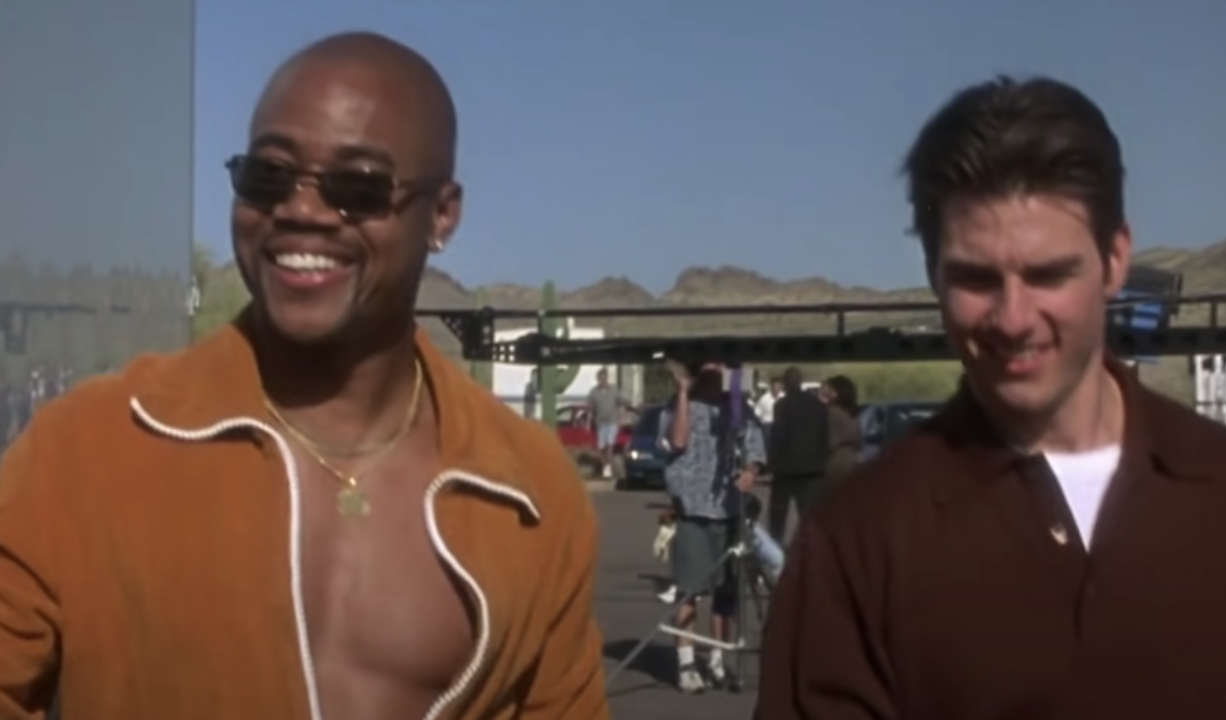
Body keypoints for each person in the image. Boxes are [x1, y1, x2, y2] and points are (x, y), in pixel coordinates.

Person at [0, 32, 608, 720]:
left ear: (441, 214)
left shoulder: (531, 494)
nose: (301, 209)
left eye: (359, 187)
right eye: (269, 175)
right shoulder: (87, 449)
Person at [755, 74, 1226, 720]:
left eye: (1047, 274)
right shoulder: (859, 542)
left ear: (1116, 260)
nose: (1013, 319)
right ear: (933, 277)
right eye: (976, 279)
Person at [660, 360, 765, 694]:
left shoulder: (737, 408)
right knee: (689, 590)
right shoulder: (676, 407)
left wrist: (751, 471)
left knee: (725, 593)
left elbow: (755, 449)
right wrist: (682, 393)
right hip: (692, 510)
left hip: (728, 509)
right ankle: (687, 663)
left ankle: (718, 659)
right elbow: (677, 441)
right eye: (708, 371)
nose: (713, 377)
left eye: (719, 371)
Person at [765, 366, 829, 541]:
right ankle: (811, 547)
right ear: (800, 382)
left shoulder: (781, 406)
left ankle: (776, 545)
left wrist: (770, 462)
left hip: (786, 468)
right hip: (812, 468)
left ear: (785, 384)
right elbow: (824, 435)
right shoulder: (818, 406)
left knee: (778, 514)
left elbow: (778, 436)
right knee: (809, 515)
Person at [819, 374, 861, 495]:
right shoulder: (853, 413)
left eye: (830, 389)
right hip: (852, 457)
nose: (826, 392)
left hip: (836, 459)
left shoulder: (831, 412)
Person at [585, 367, 625, 478]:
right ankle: (606, 465)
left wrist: (622, 418)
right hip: (600, 423)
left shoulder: (614, 390)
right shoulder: (593, 392)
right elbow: (590, 409)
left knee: (609, 446)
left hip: (612, 422)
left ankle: (608, 469)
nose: (602, 380)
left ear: (607, 378)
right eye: (600, 378)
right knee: (600, 449)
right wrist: (588, 422)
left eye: (604, 378)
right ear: (598, 379)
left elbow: (620, 404)